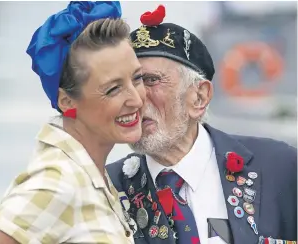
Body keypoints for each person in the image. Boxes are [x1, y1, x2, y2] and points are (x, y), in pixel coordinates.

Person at [106, 4, 297, 244]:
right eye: (126, 86)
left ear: (199, 97)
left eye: (151, 81)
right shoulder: (106, 191)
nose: (134, 98)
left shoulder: (280, 167)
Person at [0, 1, 146, 244]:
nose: (136, 99)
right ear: (66, 101)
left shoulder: (90, 174)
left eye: (137, 78)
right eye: (113, 89)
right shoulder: (59, 181)